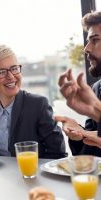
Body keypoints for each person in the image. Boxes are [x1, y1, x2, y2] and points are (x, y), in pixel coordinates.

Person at [0, 44, 66, 159]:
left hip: (31, 173)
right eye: (1, 72)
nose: (11, 76)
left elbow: (58, 153)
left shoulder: (38, 105)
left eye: (14, 68)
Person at [55, 11, 101, 156]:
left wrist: (96, 110)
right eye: (88, 41)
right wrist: (78, 133)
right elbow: (91, 151)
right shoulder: (97, 88)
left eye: (95, 40)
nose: (86, 48)